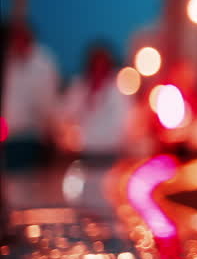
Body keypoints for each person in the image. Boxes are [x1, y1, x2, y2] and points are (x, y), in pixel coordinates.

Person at [58, 42, 130, 162]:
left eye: (102, 66)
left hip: (110, 152)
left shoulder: (117, 91)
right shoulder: (79, 88)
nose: (98, 71)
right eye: (95, 66)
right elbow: (67, 115)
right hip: (83, 153)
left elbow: (123, 122)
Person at [2, 20, 60, 169]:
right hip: (8, 138)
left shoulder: (43, 62)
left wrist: (48, 129)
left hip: (31, 136)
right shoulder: (9, 61)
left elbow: (46, 101)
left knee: (27, 181)